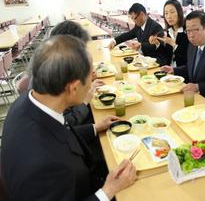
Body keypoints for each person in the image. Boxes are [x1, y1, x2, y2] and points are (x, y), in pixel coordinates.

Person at [1, 35, 137, 201]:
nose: (93, 78)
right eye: (90, 75)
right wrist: (108, 191)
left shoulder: (27, 101)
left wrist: (95, 127)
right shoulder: (43, 165)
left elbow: (60, 133)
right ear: (73, 88)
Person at [161, 10, 205, 101]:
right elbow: (191, 69)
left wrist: (198, 87)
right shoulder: (193, 45)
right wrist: (174, 70)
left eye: (195, 30)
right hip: (193, 96)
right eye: (188, 31)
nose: (191, 35)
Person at [149, 0, 189, 67]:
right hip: (169, 69)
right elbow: (167, 56)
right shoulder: (169, 31)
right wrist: (157, 43)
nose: (169, 16)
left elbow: (187, 58)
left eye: (172, 12)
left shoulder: (187, 31)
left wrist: (174, 45)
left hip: (181, 72)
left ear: (179, 13)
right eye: (166, 13)